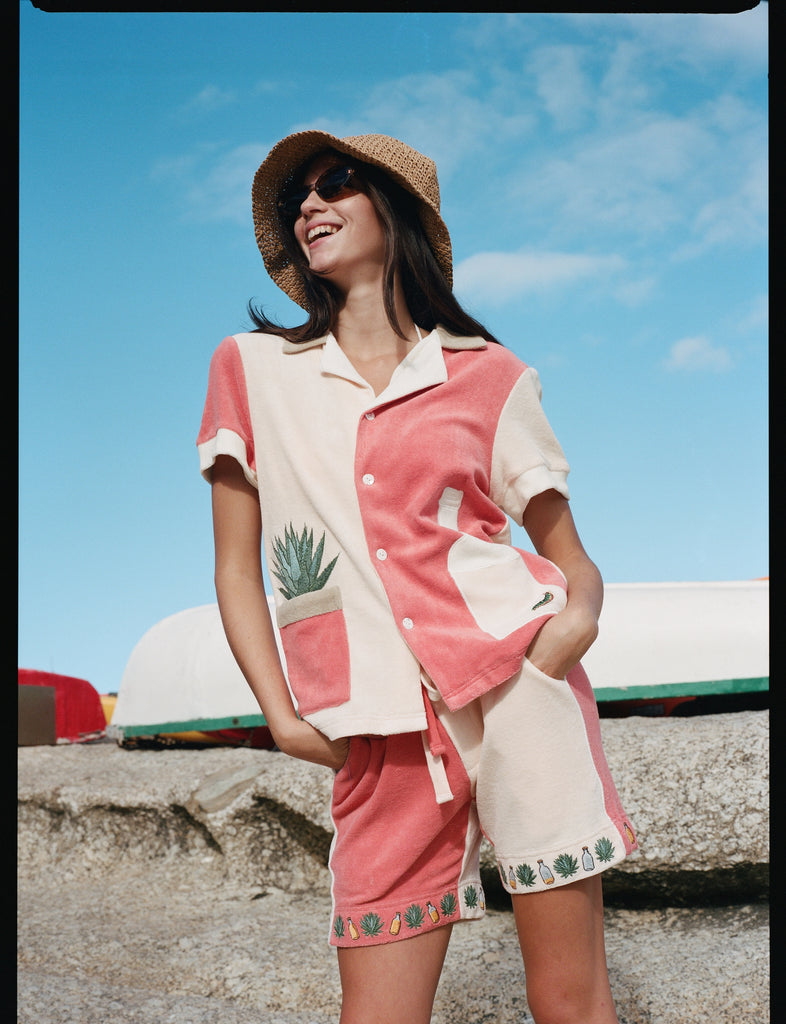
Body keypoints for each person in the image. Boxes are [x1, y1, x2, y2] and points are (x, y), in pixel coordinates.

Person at [197, 130, 638, 1024]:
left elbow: (570, 555)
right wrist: (282, 716)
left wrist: (568, 633)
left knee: (570, 1002)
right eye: (298, 198)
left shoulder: (491, 376)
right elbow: (235, 565)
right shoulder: (251, 370)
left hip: (518, 687)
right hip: (377, 727)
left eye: (336, 184)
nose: (309, 206)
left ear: (394, 209)